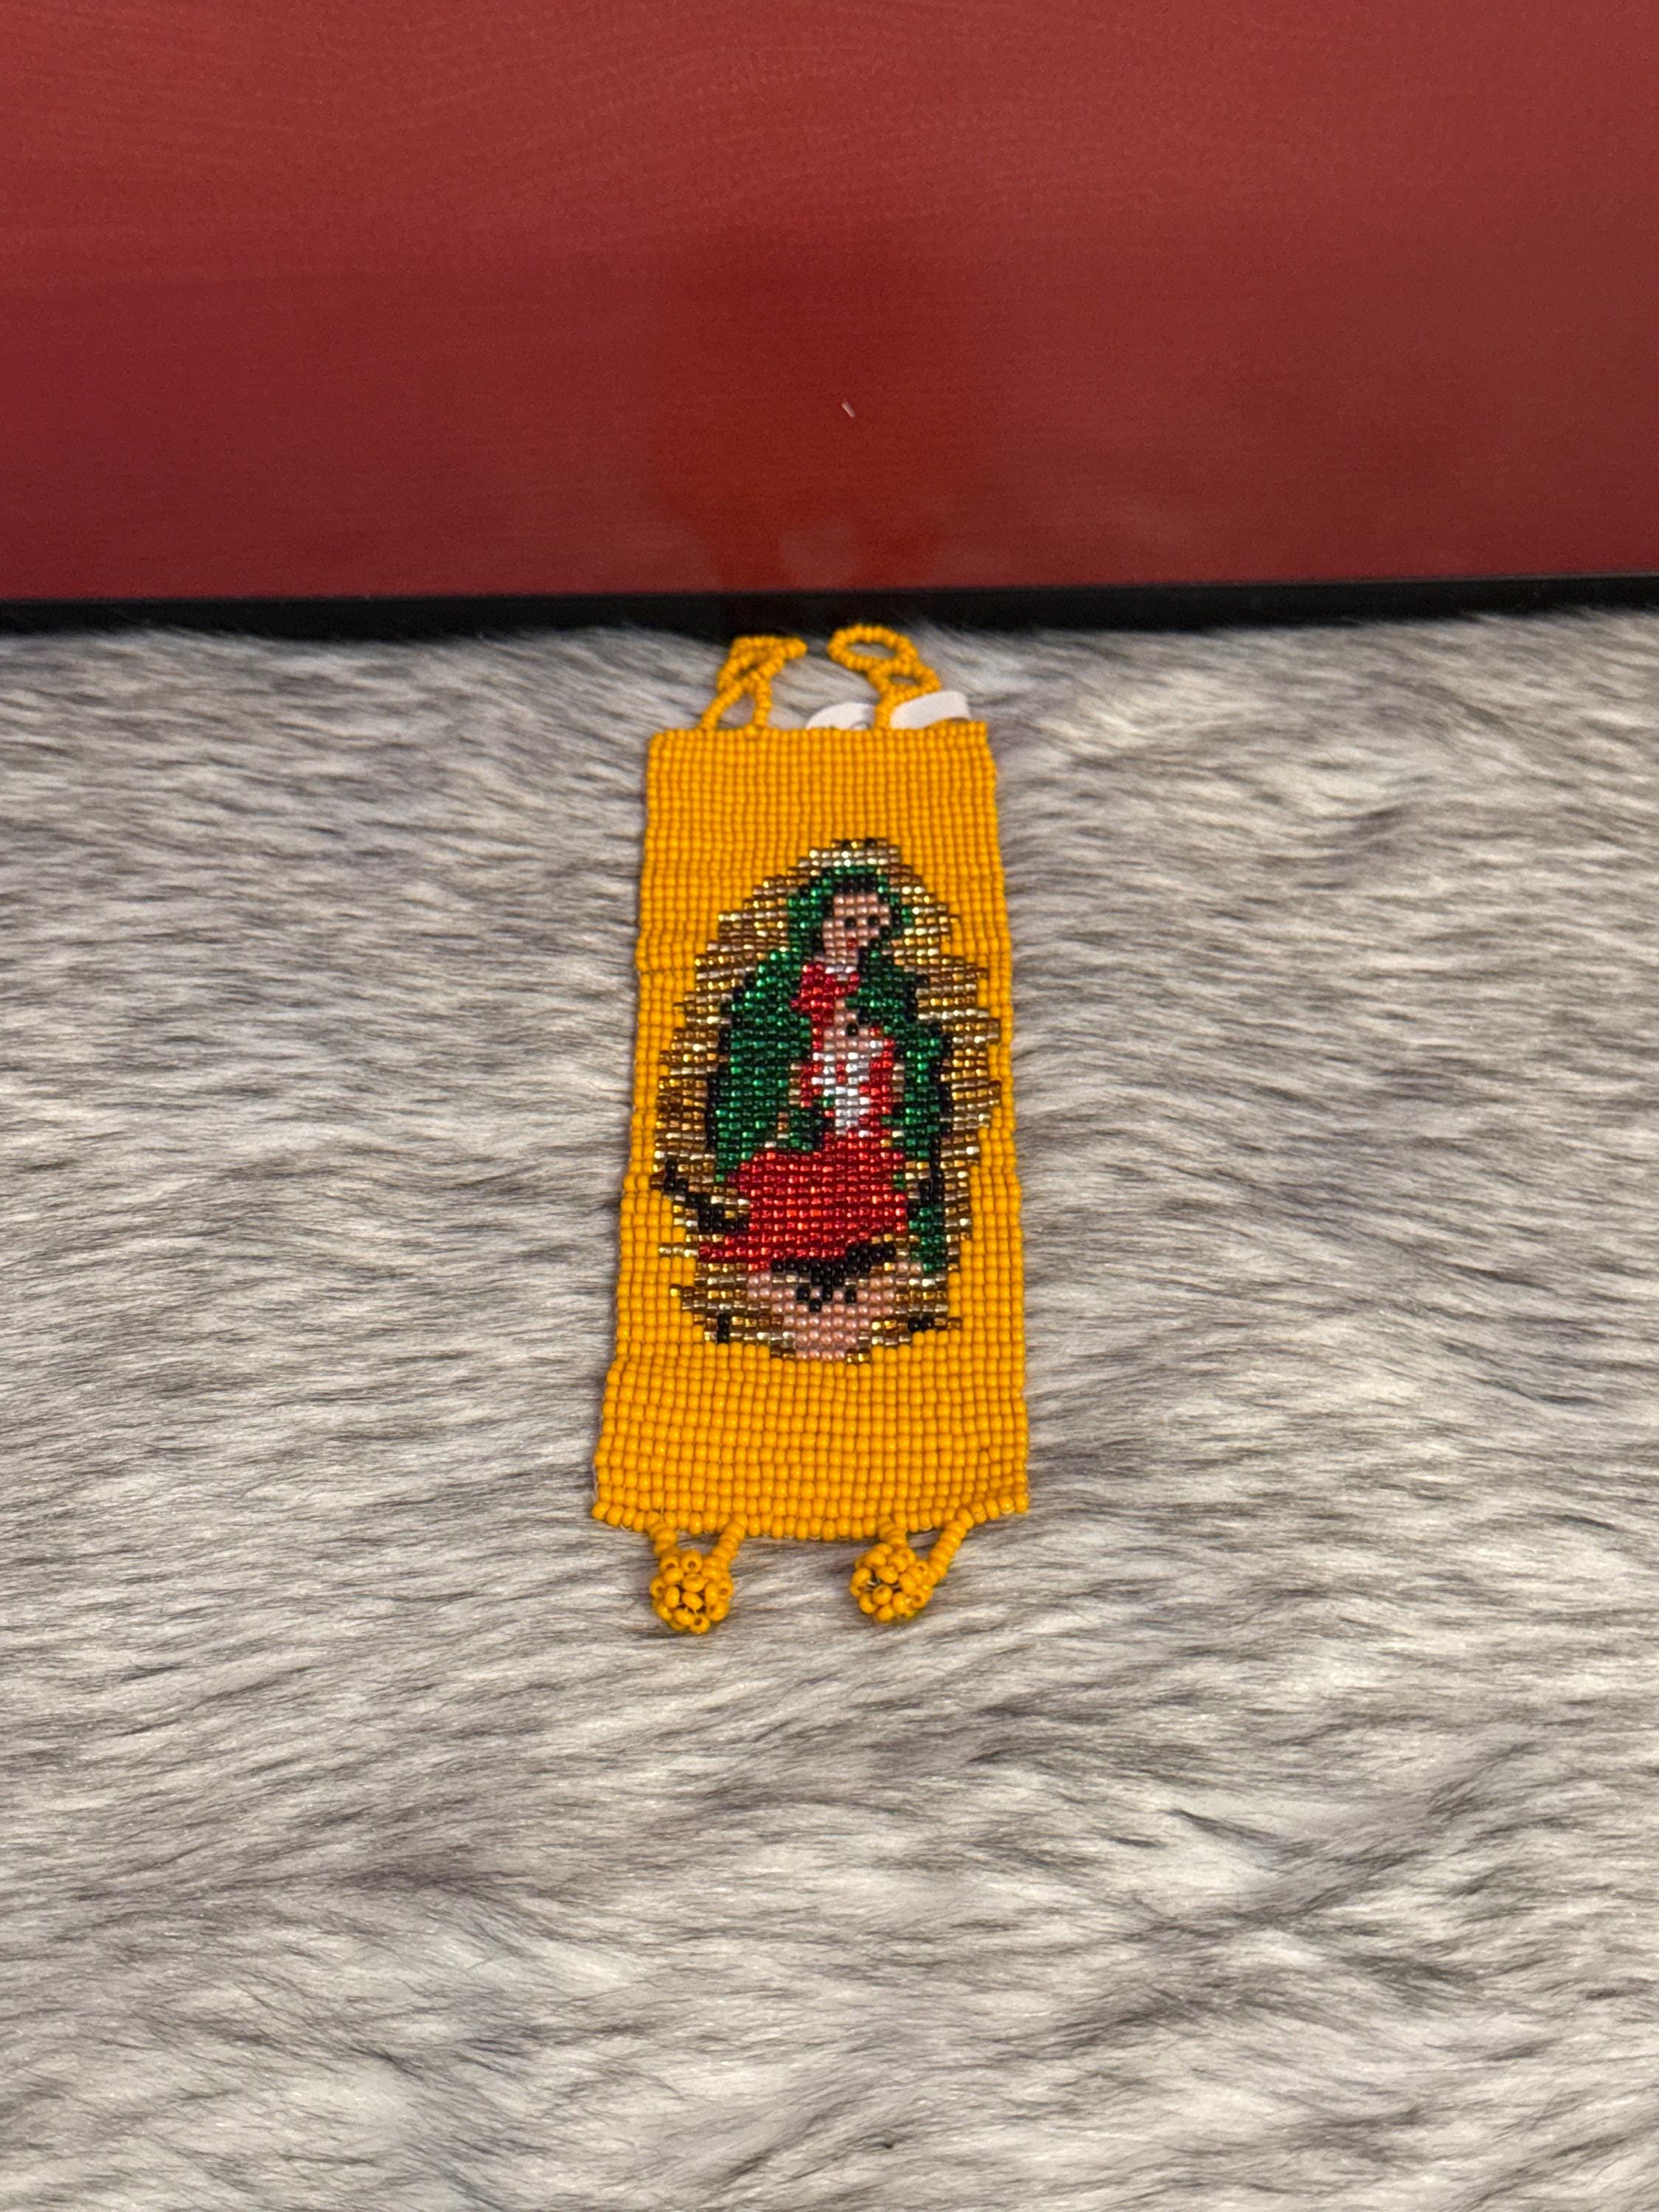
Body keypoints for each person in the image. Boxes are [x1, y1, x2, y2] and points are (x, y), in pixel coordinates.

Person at [699, 863, 949, 1357]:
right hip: (803, 1121)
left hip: (864, 1113)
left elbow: (910, 1051)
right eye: (849, 922)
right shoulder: (780, 983)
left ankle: (846, 1292)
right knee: (798, 1198)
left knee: (862, 1196)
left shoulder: (889, 986)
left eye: (873, 924)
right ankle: (802, 1293)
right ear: (818, 921)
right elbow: (756, 1056)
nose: (860, 934)